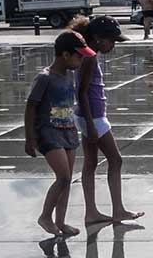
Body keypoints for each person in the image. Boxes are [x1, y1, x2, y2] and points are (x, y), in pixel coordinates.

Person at [68, 15, 144, 226]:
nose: (114, 45)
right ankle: (118, 210)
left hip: (87, 116)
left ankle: (91, 212)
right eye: (112, 40)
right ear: (99, 38)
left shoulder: (86, 54)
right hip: (93, 118)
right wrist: (92, 127)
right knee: (116, 160)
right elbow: (82, 92)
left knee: (91, 163)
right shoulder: (90, 57)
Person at [24, 30, 95, 236]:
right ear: (65, 55)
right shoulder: (44, 78)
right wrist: (30, 138)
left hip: (67, 131)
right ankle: (45, 216)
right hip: (48, 133)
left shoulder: (69, 76)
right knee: (63, 177)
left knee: (68, 179)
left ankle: (61, 222)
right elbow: (31, 107)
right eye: (79, 55)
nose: (81, 60)